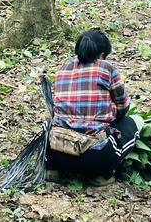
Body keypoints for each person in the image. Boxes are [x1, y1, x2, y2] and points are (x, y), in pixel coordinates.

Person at [46, 29, 139, 186]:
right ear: (102, 55)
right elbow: (123, 107)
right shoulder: (106, 68)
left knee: (52, 124)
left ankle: (54, 170)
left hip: (58, 151)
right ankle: (102, 175)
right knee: (130, 124)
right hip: (94, 158)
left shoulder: (64, 68)